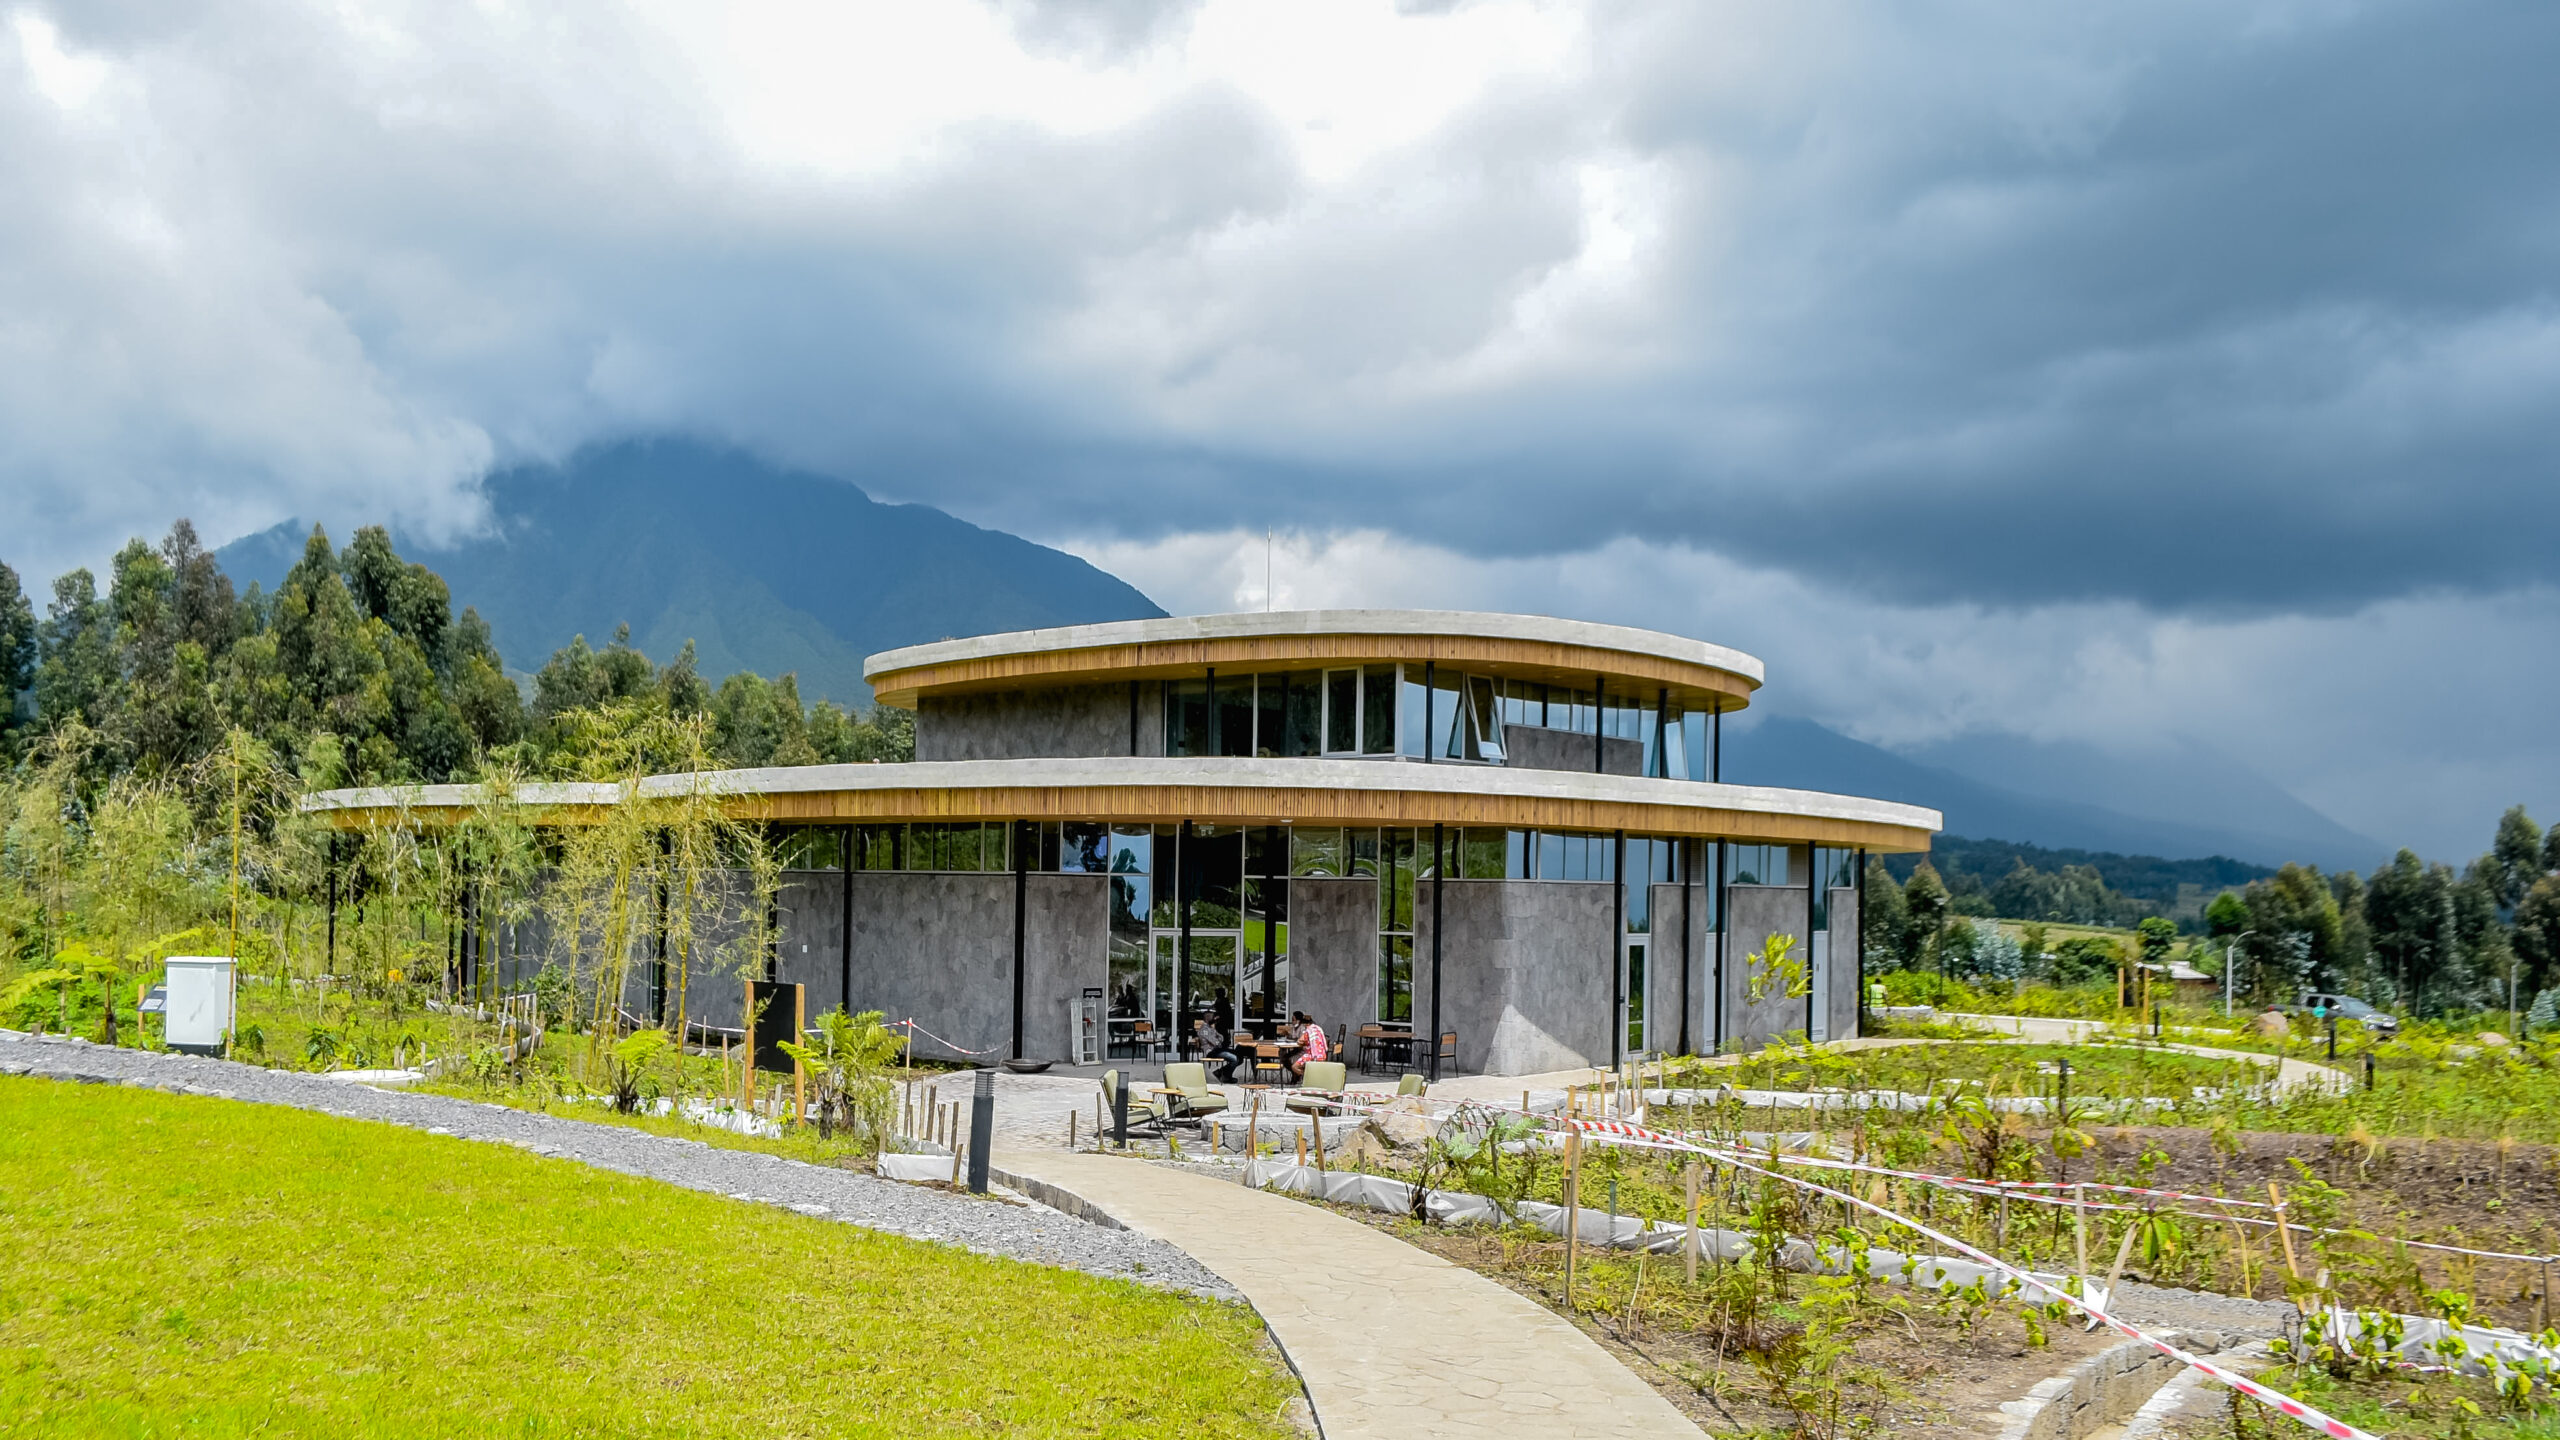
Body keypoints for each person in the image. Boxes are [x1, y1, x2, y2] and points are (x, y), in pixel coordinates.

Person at [1193, 1017, 1242, 1084]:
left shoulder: (1210, 1028)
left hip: (1218, 1049)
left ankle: (1220, 1072)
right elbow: (1216, 1042)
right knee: (1234, 1058)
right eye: (1212, 1018)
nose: (1214, 1020)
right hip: (1211, 1051)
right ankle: (1226, 1077)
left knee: (1239, 1056)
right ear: (1207, 1019)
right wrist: (1218, 1040)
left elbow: (1221, 1037)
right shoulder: (1204, 1029)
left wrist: (1219, 1039)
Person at [1288, 1010, 1329, 1081]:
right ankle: (1311, 1077)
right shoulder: (1319, 1029)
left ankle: (1307, 1077)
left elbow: (1300, 1041)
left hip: (1312, 1055)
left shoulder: (1308, 1031)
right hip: (1322, 1055)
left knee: (1294, 1067)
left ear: (1305, 1024)